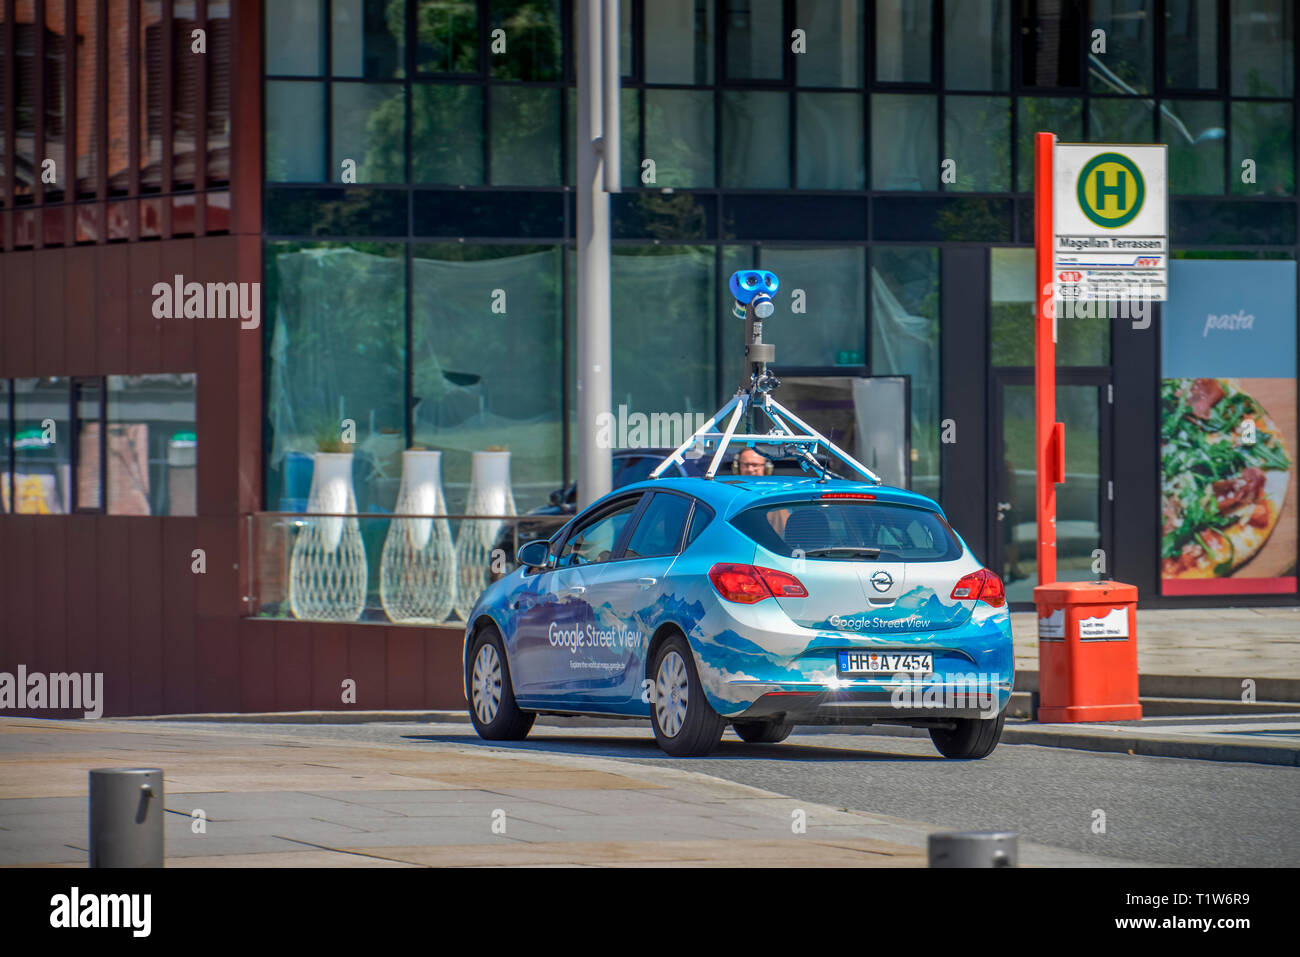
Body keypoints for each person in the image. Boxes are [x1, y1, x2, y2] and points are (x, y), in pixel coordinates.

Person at [735, 448, 789, 537]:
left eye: (755, 465)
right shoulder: (728, 492)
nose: (750, 469)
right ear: (737, 467)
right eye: (746, 464)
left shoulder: (774, 501)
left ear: (767, 468)